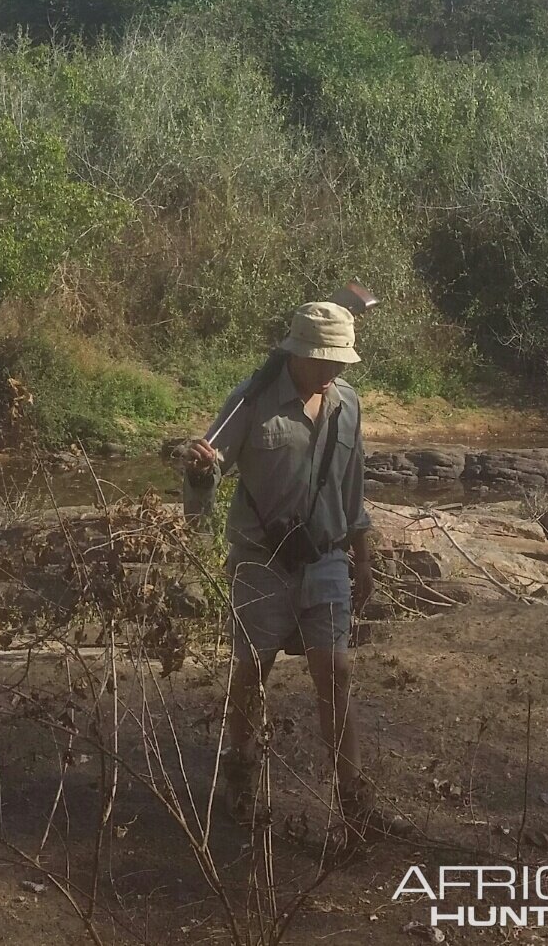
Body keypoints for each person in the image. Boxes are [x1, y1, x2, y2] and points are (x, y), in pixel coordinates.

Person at [187, 299, 403, 838]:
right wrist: (197, 475)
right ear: (297, 353)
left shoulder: (348, 405)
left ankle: (352, 800)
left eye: (339, 361)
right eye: (324, 359)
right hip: (260, 560)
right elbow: (208, 479)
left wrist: (364, 557)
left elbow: (353, 492)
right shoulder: (250, 401)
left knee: (337, 673)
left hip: (327, 557)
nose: (332, 370)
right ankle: (241, 784)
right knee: (251, 672)